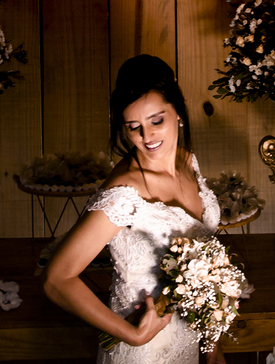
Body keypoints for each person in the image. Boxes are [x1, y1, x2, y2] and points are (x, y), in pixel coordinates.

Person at [43, 55, 224, 364]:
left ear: (178, 112)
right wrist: (134, 335)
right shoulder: (124, 193)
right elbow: (57, 280)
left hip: (189, 343)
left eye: (157, 120)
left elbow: (205, 269)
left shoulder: (188, 162)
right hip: (144, 353)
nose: (147, 136)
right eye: (134, 127)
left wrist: (213, 348)